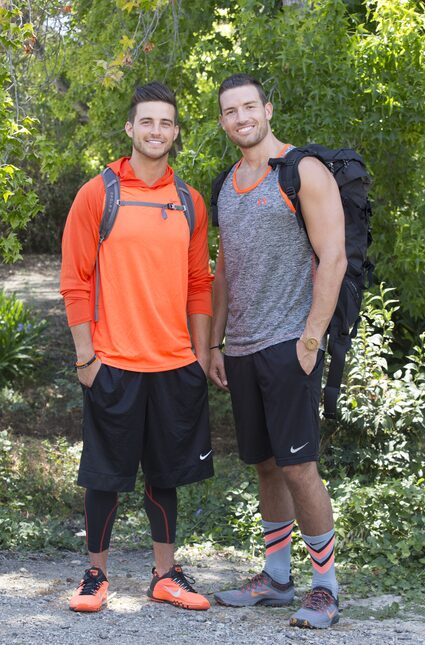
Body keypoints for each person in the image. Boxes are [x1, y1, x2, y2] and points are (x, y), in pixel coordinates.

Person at [60, 81, 213, 613]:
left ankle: (165, 576)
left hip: (174, 363)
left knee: (165, 476)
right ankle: (94, 576)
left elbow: (199, 284)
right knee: (105, 476)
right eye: (146, 121)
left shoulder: (189, 201)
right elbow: (75, 281)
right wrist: (86, 357)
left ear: (175, 132)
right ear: (130, 128)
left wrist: (198, 355)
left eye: (166, 123)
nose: (156, 131)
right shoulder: (97, 194)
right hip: (113, 361)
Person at [209, 74, 347, 629]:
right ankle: (276, 578)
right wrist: (215, 341)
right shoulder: (226, 182)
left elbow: (332, 258)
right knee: (265, 465)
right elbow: (224, 272)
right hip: (241, 348)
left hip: (290, 344)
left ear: (267, 108)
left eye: (249, 107)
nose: (241, 118)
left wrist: (311, 338)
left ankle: (326, 587)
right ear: (222, 122)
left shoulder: (301, 170)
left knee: (299, 468)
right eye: (229, 111)